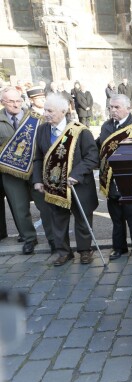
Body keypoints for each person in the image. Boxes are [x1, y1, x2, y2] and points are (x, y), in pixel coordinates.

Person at [32, 93, 99, 266]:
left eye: (50, 111)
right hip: (54, 185)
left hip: (78, 185)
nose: (46, 114)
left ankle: (84, 251)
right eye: (45, 110)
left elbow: (92, 157)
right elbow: (38, 157)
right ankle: (63, 252)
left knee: (82, 220)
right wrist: (38, 180)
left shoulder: (80, 131)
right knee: (58, 220)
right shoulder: (42, 130)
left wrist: (76, 175)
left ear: (63, 111)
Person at [0, 87, 55, 253]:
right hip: (10, 172)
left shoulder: (36, 118)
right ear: (2, 102)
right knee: (19, 208)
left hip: (35, 169)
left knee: (45, 206)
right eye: (11, 101)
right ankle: (29, 239)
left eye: (18, 100)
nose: (15, 104)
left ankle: (53, 238)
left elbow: (47, 141)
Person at [97, 94, 132, 261]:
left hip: (131, 182)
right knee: (117, 218)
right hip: (111, 181)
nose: (113, 110)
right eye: (111, 107)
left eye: (116, 107)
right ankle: (119, 247)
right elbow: (99, 148)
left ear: (128, 108)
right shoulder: (106, 127)